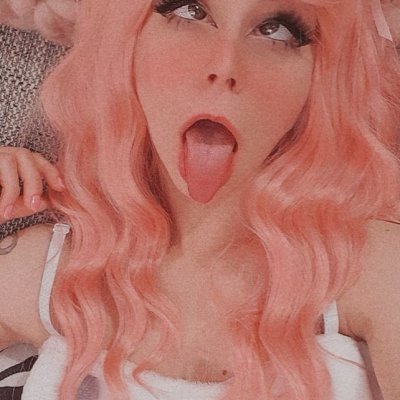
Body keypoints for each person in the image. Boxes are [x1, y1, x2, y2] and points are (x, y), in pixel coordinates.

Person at [0, 0, 400, 399]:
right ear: (126, 40)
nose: (225, 67)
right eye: (189, 11)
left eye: (277, 29)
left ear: (321, 76)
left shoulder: (367, 267)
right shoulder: (47, 272)